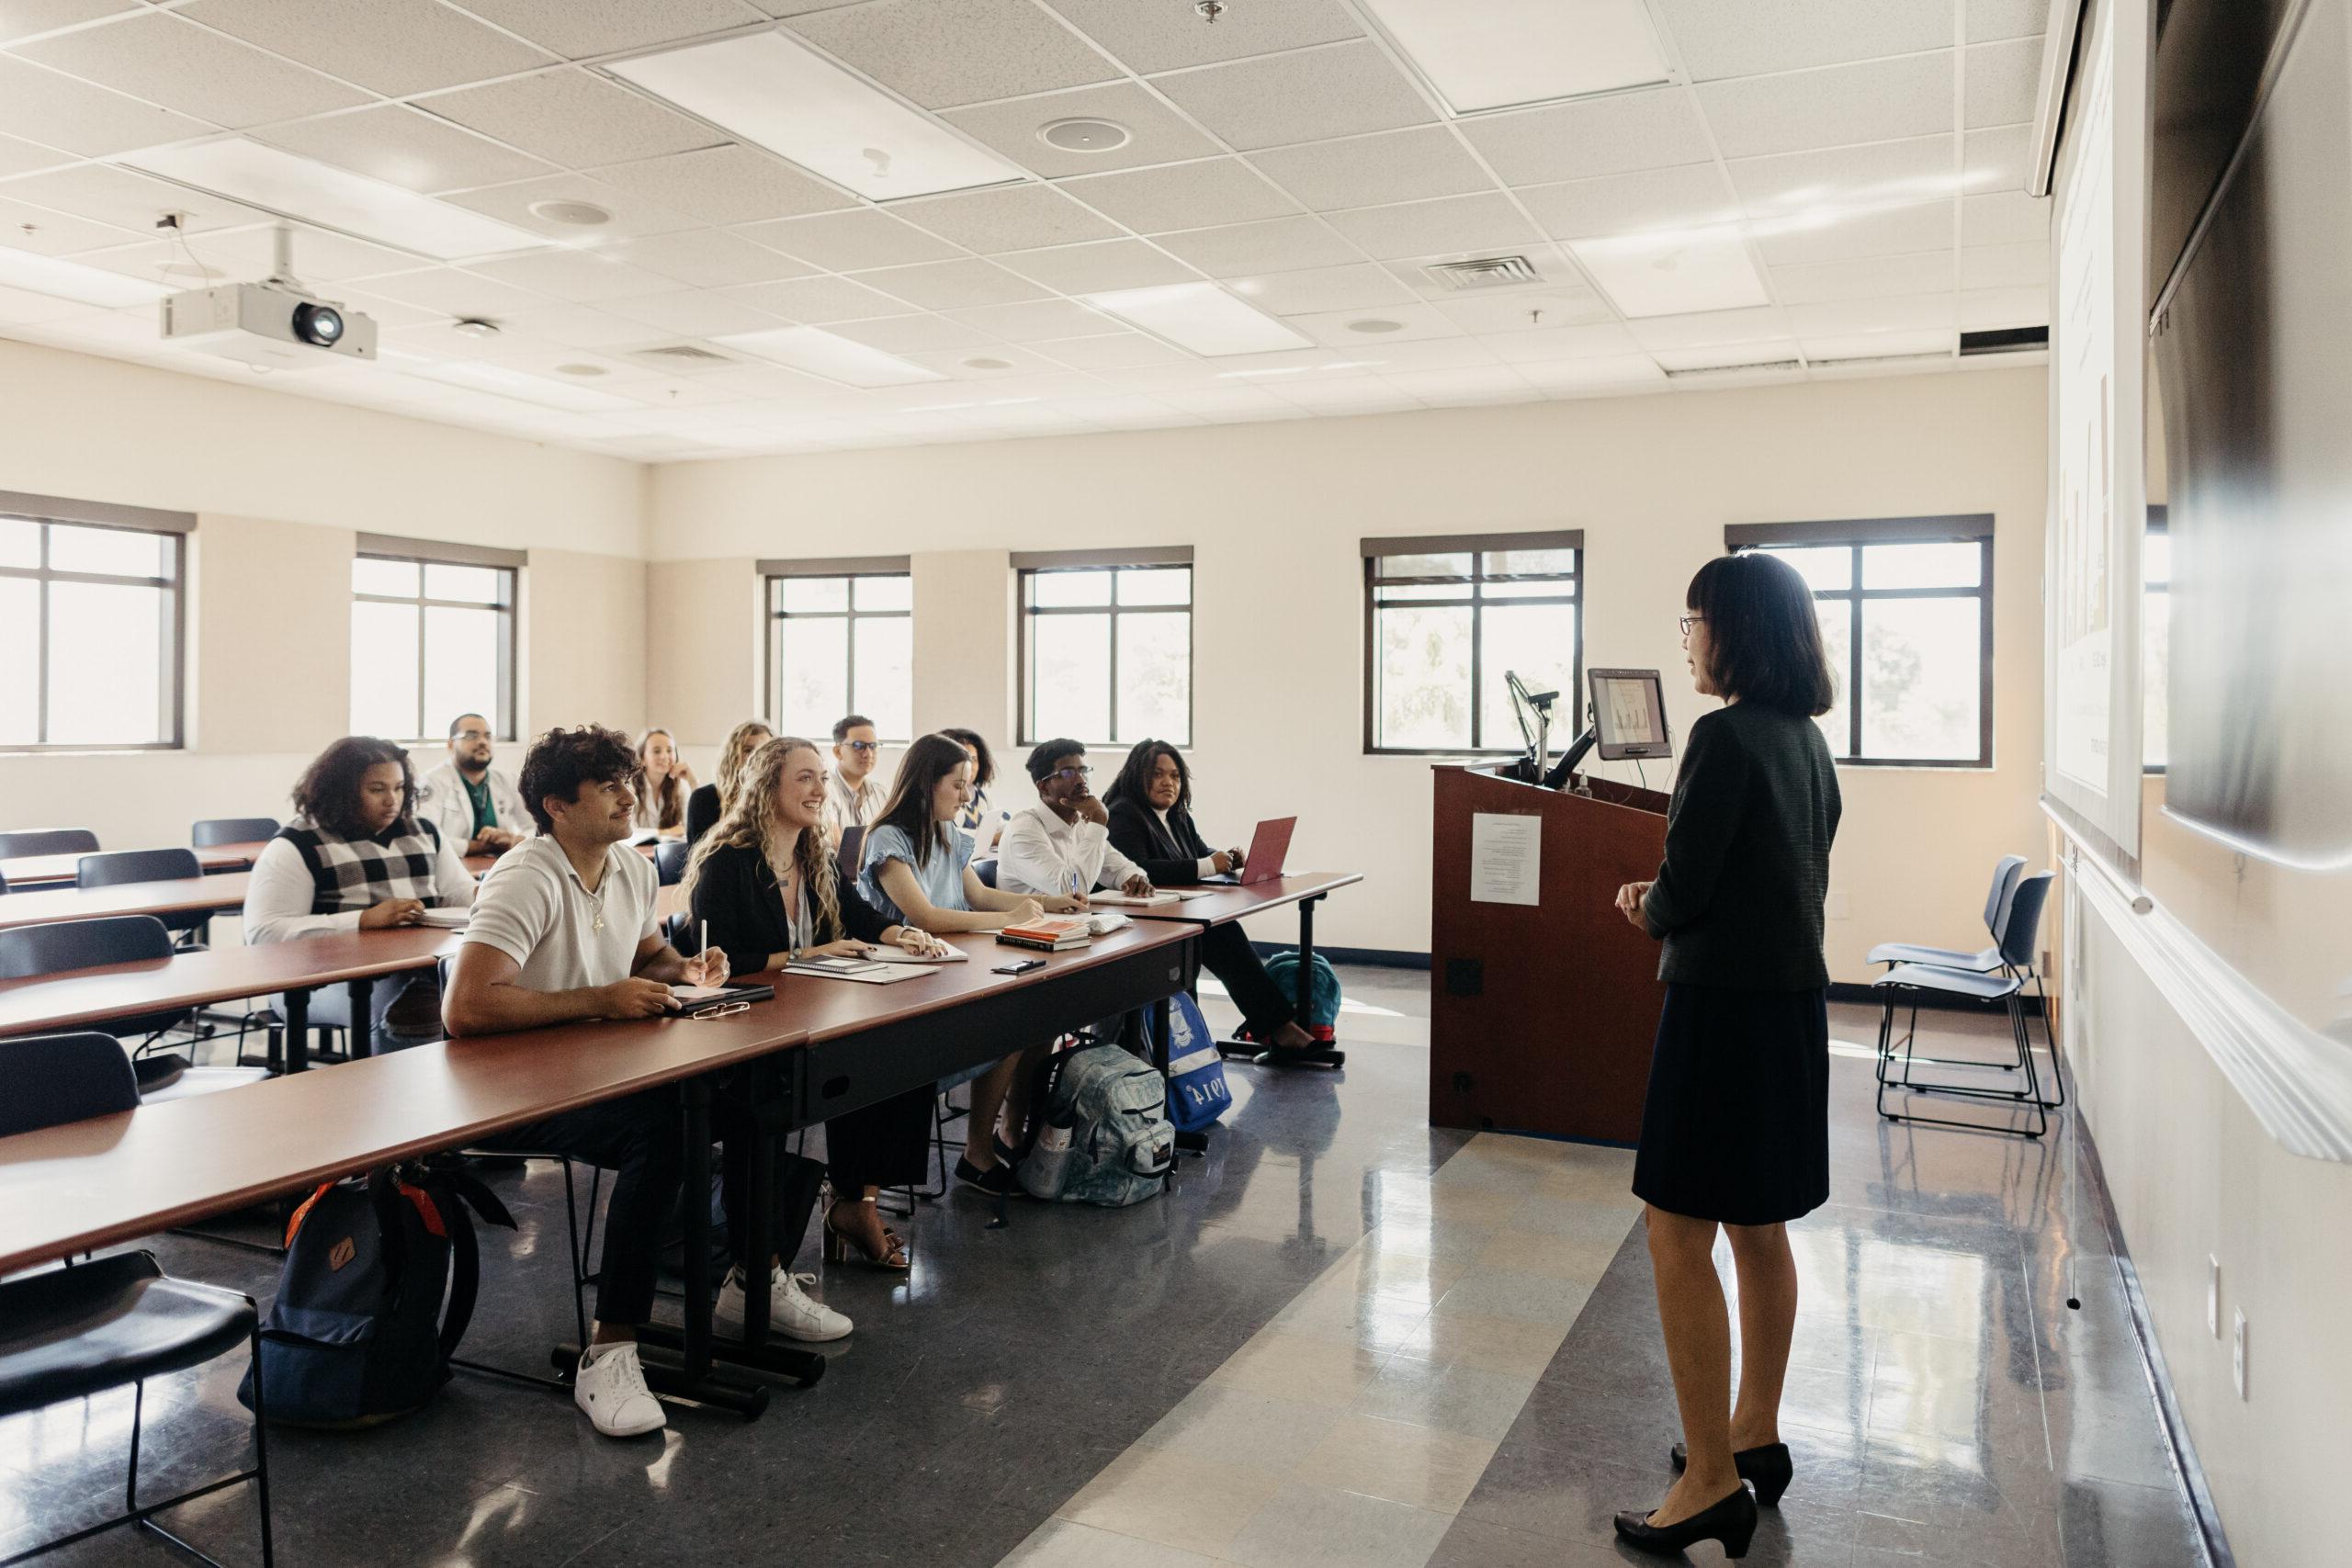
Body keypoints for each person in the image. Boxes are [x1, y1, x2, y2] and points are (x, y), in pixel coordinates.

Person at [1606, 551, 1841, 1558]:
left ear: (1731, 630)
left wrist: (1641, 905)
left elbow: (1684, 889)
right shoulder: (1805, 742)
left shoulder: (1721, 736)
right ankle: (1752, 1433)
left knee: (1674, 1234)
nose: (1688, 640)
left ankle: (1708, 1482)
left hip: (1716, 1016)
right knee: (1758, 1226)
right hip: (1787, 1012)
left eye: (1692, 621)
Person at [441, 725, 739, 1439]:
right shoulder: (527, 874)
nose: (627, 793)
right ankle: (611, 1348)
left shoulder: (632, 867)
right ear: (557, 806)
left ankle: (755, 1278)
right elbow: (467, 1007)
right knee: (662, 1128)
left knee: (740, 1091)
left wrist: (687, 970)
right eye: (607, 785)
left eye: (627, 779)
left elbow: (651, 955)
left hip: (593, 1070)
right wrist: (602, 998)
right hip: (508, 1088)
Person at [685, 737, 953, 1271]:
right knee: (852, 1068)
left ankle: (860, 1203)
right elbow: (717, 960)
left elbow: (859, 916)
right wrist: (812, 952)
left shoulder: (814, 852)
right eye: (804, 777)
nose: (819, 788)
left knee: (905, 1053)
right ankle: (778, 1253)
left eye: (821, 778)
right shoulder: (727, 861)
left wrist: (902, 934)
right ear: (767, 787)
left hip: (816, 1016)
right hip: (750, 1028)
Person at [857, 733, 1071, 1196]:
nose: (967, 795)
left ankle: (989, 1145)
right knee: (1005, 1025)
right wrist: (1007, 919)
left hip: (953, 970)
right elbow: (926, 917)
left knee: (1026, 1022)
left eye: (969, 784)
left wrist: (1048, 902)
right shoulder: (888, 839)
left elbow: (978, 894)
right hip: (905, 985)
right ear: (925, 784)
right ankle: (979, 1150)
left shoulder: (948, 834)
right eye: (957, 784)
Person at [243, 735, 477, 1046]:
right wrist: (362, 920)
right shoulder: (296, 844)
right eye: (376, 789)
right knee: (413, 1006)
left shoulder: (423, 831)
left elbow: (459, 892)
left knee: (472, 990)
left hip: (413, 968)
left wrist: (495, 898)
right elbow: (264, 934)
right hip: (319, 982)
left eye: (399, 787)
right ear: (341, 791)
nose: (392, 800)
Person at [1103, 739, 1321, 1053]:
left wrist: (1227, 858)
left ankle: (1275, 1026)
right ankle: (1274, 1027)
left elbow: (1199, 852)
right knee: (1222, 936)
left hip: (1179, 914)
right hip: (1144, 924)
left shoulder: (1177, 815)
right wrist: (1207, 865)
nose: (1168, 782)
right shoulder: (1123, 814)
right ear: (1137, 775)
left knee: (1225, 931)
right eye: (1158, 774)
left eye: (1176, 776)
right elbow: (1141, 870)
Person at [997, 739, 1153, 903]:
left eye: (1083, 771)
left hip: (1069, 923)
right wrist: (1098, 820)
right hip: (1029, 926)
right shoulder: (1024, 830)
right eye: (1068, 773)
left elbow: (1121, 869)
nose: (1081, 780)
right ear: (1043, 786)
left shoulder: (1079, 825)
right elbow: (1073, 890)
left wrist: (1135, 879)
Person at [420, 713, 529, 857]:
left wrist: (514, 839)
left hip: (498, 867)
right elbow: (427, 837)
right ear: (451, 744)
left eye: (488, 736)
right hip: (453, 869)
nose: (482, 742)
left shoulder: (508, 780)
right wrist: (482, 847)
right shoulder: (432, 782)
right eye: (472, 736)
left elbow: (536, 828)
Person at [685, 719, 772, 849]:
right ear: (733, 756)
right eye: (748, 750)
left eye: (764, 749)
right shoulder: (704, 798)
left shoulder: (779, 798)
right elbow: (698, 856)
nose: (756, 756)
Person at [940, 727, 1003, 853]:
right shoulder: (944, 799)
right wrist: (992, 838)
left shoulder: (983, 795)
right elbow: (953, 836)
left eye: (974, 760)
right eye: (965, 759)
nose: (971, 767)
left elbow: (1000, 825)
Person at [823, 714, 887, 837]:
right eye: (858, 746)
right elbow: (837, 849)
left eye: (873, 746)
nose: (868, 754)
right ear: (838, 752)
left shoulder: (881, 793)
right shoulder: (825, 791)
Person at [630, 727, 696, 838]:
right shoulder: (630, 787)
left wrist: (693, 783)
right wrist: (667, 832)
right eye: (657, 751)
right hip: (637, 852)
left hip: (668, 852)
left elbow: (692, 829)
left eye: (669, 750)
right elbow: (629, 833)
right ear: (642, 759)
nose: (664, 756)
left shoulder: (681, 787)